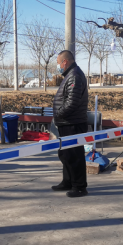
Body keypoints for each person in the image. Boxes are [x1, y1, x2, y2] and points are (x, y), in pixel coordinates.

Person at [52, 50, 89, 197]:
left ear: (65, 62)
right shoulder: (70, 75)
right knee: (65, 154)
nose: (58, 66)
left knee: (74, 155)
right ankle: (68, 181)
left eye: (58, 63)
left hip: (72, 123)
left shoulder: (74, 76)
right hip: (66, 122)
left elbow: (72, 102)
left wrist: (58, 114)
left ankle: (79, 186)